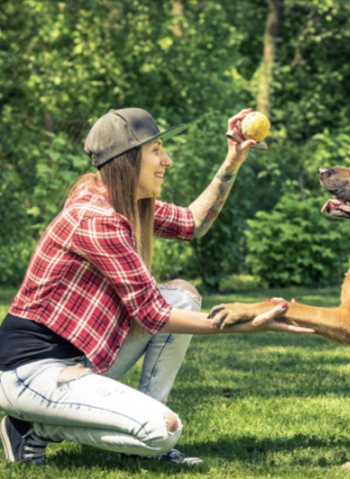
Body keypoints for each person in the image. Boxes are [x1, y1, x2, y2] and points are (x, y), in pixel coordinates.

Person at [0, 108, 313, 466]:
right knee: (163, 430)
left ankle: (132, 429)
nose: (168, 160)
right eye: (157, 150)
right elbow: (152, 314)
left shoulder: (124, 201)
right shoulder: (96, 219)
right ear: (127, 160)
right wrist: (247, 321)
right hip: (31, 372)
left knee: (182, 294)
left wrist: (233, 160)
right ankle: (30, 429)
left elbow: (192, 223)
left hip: (79, 358)